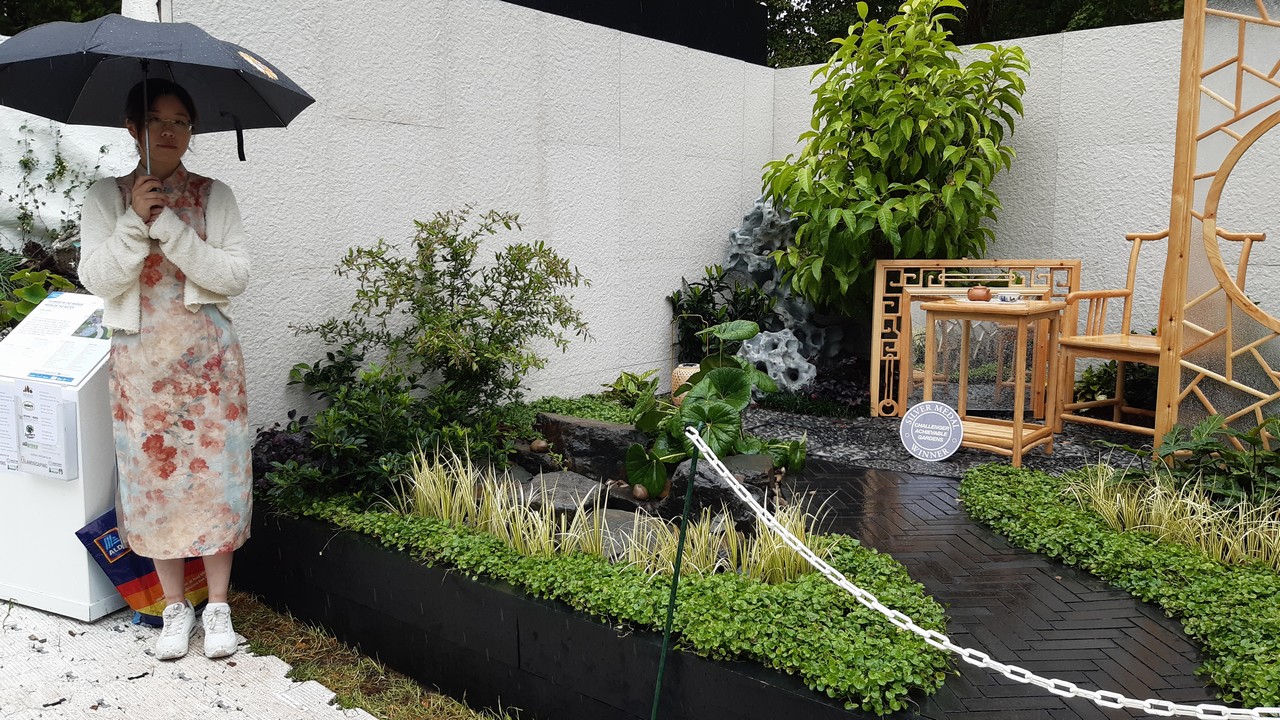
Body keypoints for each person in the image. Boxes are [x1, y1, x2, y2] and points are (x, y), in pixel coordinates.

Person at [79, 78, 252, 661]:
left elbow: (234, 277)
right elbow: (98, 280)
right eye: (157, 120)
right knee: (154, 487)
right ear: (134, 129)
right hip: (142, 368)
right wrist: (133, 220)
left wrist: (172, 229)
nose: (170, 131)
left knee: (216, 484)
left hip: (209, 366)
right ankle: (175, 609)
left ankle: (220, 607)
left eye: (181, 120)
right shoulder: (106, 196)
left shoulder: (213, 194)